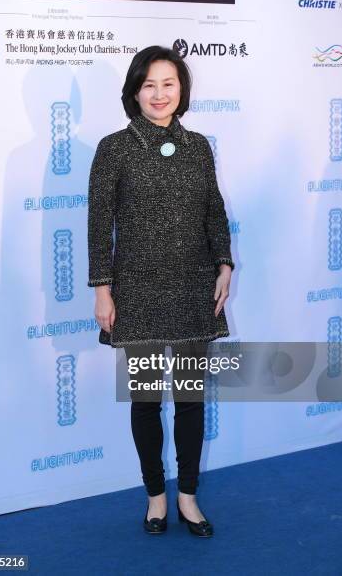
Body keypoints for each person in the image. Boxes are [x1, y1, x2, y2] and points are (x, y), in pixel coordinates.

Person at [87, 45, 235, 537]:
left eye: (168, 83)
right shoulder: (114, 147)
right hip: (139, 293)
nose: (159, 93)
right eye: (149, 84)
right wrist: (102, 289)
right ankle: (155, 496)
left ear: (181, 91)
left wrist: (224, 263)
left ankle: (188, 497)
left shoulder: (198, 146)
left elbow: (214, 210)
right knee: (147, 400)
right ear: (134, 91)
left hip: (194, 288)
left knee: (191, 399)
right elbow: (97, 224)